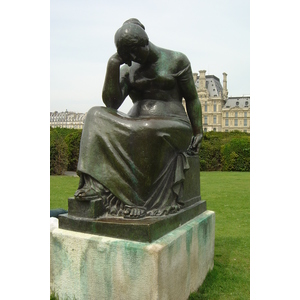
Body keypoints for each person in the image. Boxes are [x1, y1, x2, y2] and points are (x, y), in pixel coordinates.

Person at [74, 19, 203, 218]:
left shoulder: (177, 60)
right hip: (139, 124)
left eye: (135, 52)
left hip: (174, 124)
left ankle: (137, 199)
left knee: (148, 128)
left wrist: (198, 131)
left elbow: (193, 98)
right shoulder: (127, 68)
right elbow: (111, 104)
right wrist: (113, 65)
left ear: (145, 42)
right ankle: (95, 186)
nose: (132, 58)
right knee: (94, 114)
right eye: (127, 55)